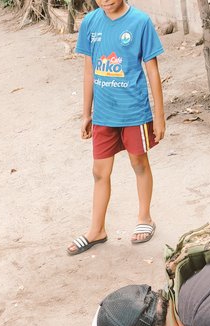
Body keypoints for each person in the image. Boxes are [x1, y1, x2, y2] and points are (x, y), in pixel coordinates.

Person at [66, 0, 165, 256]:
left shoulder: (140, 22)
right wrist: (86, 113)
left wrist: (159, 116)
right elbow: (89, 71)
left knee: (139, 163)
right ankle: (96, 230)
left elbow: (152, 71)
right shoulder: (90, 23)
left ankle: (145, 217)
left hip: (134, 111)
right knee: (99, 172)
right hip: (103, 114)